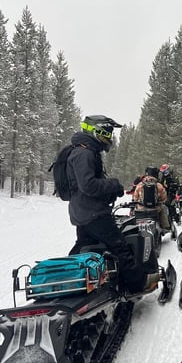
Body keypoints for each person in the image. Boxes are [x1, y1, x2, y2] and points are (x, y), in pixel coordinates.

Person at [66, 115, 143, 292]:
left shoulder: (83, 151)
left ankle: (83, 287)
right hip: (93, 213)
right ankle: (136, 285)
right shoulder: (84, 153)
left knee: (86, 250)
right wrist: (113, 184)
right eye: (107, 133)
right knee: (120, 247)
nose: (109, 137)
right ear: (97, 131)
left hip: (83, 211)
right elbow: (88, 185)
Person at [132, 166, 172, 233]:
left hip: (141, 209)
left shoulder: (139, 184)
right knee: (163, 208)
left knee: (134, 210)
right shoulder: (159, 185)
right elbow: (164, 199)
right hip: (155, 209)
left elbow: (135, 198)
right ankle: (165, 227)